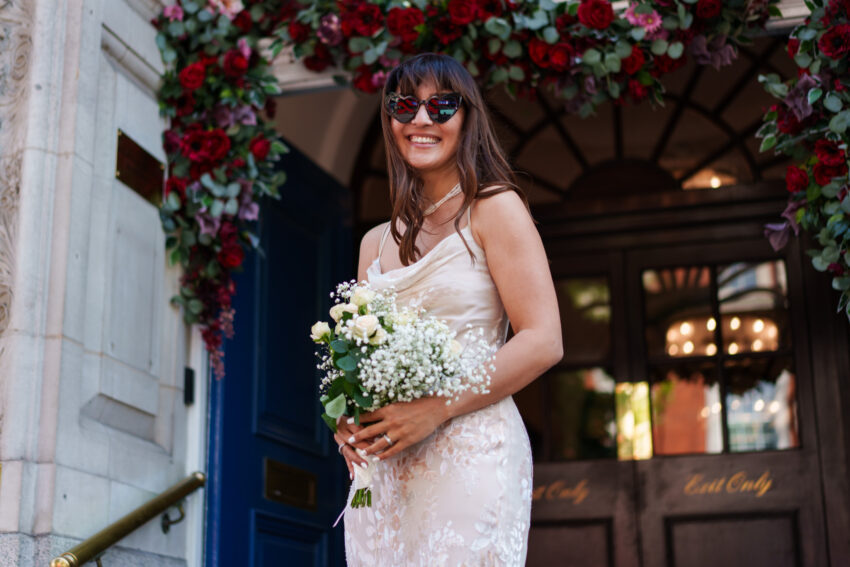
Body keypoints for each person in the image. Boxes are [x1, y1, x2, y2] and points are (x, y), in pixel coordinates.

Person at [334, 53, 563, 566]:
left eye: (440, 106)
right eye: (404, 105)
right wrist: (347, 420)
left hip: (469, 449)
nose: (420, 119)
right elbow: (360, 364)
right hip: (387, 467)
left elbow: (544, 339)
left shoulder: (496, 208)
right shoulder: (375, 242)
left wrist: (433, 410)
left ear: (467, 118)